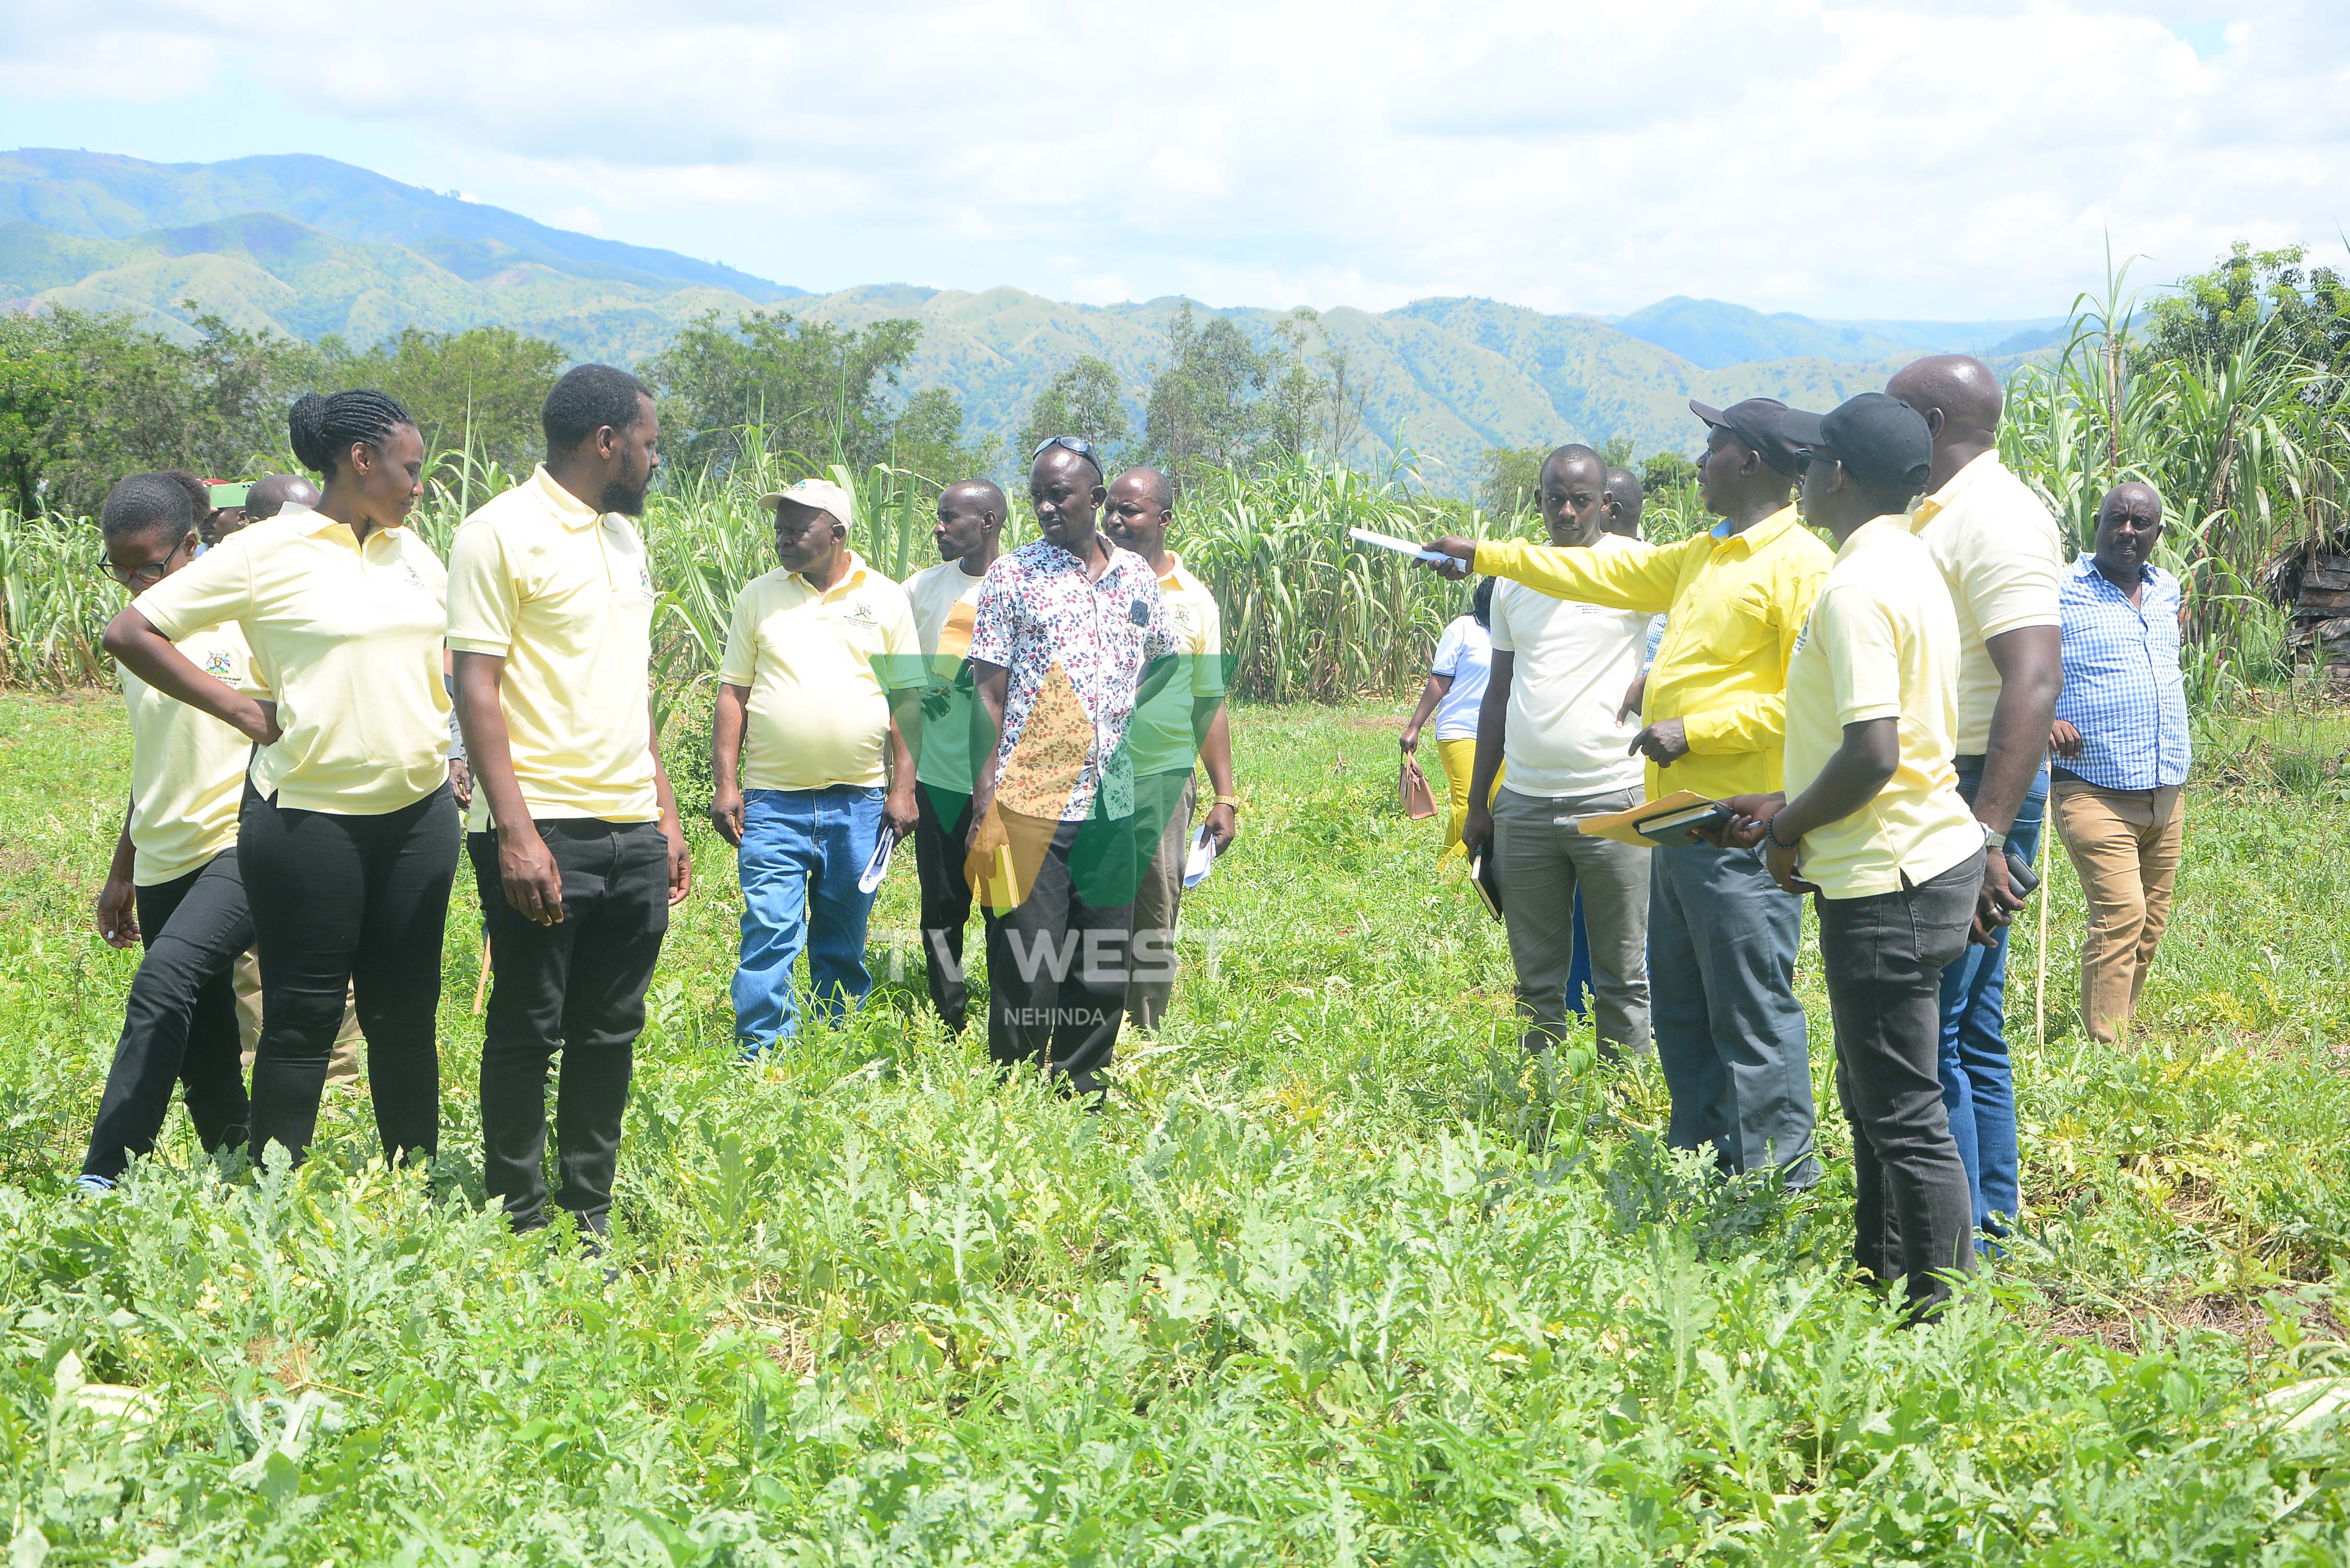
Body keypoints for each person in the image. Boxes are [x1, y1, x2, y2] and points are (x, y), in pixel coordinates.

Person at [1421, 398, 1831, 1186]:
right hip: (1678, 823)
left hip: (1746, 825)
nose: (1701, 459)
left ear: (1748, 462)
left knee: (1749, 1011)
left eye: (1713, 447)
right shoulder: (1702, 556)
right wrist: (1484, 555)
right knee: (1683, 1009)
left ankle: (1782, 1185)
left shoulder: (1801, 566)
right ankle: (1701, 1165)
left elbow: (1816, 699)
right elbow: (1593, 567)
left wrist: (1697, 730)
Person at [105, 390, 459, 1169]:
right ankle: (274, 1198)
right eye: (410, 467)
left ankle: (417, 1181)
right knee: (301, 1015)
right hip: (307, 821)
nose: (419, 484)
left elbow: (450, 663)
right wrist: (238, 707)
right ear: (359, 461)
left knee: (406, 1017)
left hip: (418, 817)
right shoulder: (268, 551)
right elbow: (133, 631)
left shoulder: (416, 554)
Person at [1719, 392, 1984, 1321]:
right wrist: (1790, 804)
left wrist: (1789, 832)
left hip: (1888, 875)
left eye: (1814, 458)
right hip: (1924, 854)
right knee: (1874, 1088)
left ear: (1834, 474)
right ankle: (1877, 1275)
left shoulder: (1855, 586)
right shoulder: (1911, 564)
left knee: (1902, 1111)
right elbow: (1890, 740)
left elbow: (1873, 751)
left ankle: (1940, 1320)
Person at [448, 364, 694, 1238]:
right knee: (527, 1026)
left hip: (629, 822)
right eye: (650, 443)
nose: (655, 459)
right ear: (607, 441)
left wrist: (663, 812)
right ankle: (518, 1215)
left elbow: (630, 688)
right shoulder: (497, 534)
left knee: (609, 1033)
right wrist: (515, 835)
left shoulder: (625, 540)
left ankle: (587, 1211)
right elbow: (475, 688)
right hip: (543, 824)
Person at [1886, 354, 2064, 1242]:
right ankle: (1991, 1214)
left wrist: (1986, 832)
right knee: (1973, 1020)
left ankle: (1949, 1247)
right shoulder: (1937, 511)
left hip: (1973, 785)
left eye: (1891, 420)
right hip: (1957, 782)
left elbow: (2032, 682)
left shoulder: (1997, 518)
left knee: (1936, 1027)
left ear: (1926, 423)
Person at [963, 437, 1178, 1103]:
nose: (1046, 507)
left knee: (1103, 958)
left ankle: (1082, 1083)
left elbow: (1166, 656)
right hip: (1029, 798)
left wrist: (1120, 721)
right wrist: (983, 802)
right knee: (1027, 958)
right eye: (1036, 496)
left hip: (1111, 802)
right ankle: (1015, 1084)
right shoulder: (1012, 577)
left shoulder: (1137, 578)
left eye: (1058, 494)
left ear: (1095, 496)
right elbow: (987, 693)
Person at [77, 472, 258, 1191]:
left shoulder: (244, 616)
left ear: (192, 544)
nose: (130, 584)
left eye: (146, 567)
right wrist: (124, 868)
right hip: (161, 856)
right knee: (207, 1051)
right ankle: (245, 1179)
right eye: (116, 569)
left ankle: (104, 1174)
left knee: (164, 981)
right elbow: (153, 756)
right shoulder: (138, 633)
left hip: (237, 843)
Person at [711, 478, 921, 1056]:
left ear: (836, 533)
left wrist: (903, 790)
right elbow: (734, 694)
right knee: (770, 930)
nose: (782, 538)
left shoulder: (883, 597)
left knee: (842, 937)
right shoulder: (759, 595)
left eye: (796, 528)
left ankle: (836, 1045)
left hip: (858, 802)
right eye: (778, 528)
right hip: (772, 801)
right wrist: (726, 784)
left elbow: (906, 700)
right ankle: (763, 1050)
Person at [1462, 445, 1651, 1057]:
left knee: (1622, 974)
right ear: (1538, 500)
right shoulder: (1516, 575)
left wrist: (1658, 677)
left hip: (1613, 797)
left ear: (1606, 504)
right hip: (1524, 804)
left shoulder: (1637, 566)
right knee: (1535, 978)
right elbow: (1498, 693)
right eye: (1553, 500)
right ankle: (1539, 1095)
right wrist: (1477, 804)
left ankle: (1626, 1099)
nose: (1565, 512)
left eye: (1580, 500)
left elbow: (1703, 632)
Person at [2049, 481, 2190, 1044]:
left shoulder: (2165, 589)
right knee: (2121, 913)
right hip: (2091, 786)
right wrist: (2043, 721)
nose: (2126, 531)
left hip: (2165, 785)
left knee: (2150, 923)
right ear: (2097, 522)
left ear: (2157, 533)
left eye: (2139, 522)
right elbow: (2013, 665)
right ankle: (2105, 1050)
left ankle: (2118, 1023)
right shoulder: (2057, 590)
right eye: (2116, 519)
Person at [1102, 465, 1239, 1030]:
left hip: (1161, 774)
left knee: (1154, 910)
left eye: (1128, 511)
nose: (1114, 520)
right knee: (1091, 904)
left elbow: (1207, 700)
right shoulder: (1089, 578)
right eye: (1109, 508)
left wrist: (1225, 795)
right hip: (1091, 774)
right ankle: (1090, 1025)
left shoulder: (1193, 601)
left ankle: (1143, 1032)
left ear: (1162, 520)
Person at [902, 479, 1006, 1034]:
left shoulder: (1022, 585)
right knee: (942, 907)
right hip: (940, 777)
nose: (937, 528)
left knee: (1005, 907)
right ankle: (949, 1016)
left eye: (949, 518)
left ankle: (1006, 1013)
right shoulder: (918, 589)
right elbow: (899, 683)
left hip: (1009, 781)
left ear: (987, 522)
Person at [1401, 575, 1502, 859]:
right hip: (1461, 730)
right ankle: (1454, 874)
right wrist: (1414, 727)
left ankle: (1449, 862)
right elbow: (1439, 680)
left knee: (1499, 805)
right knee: (1470, 804)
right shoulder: (1462, 629)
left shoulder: (1515, 632)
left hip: (1502, 733)